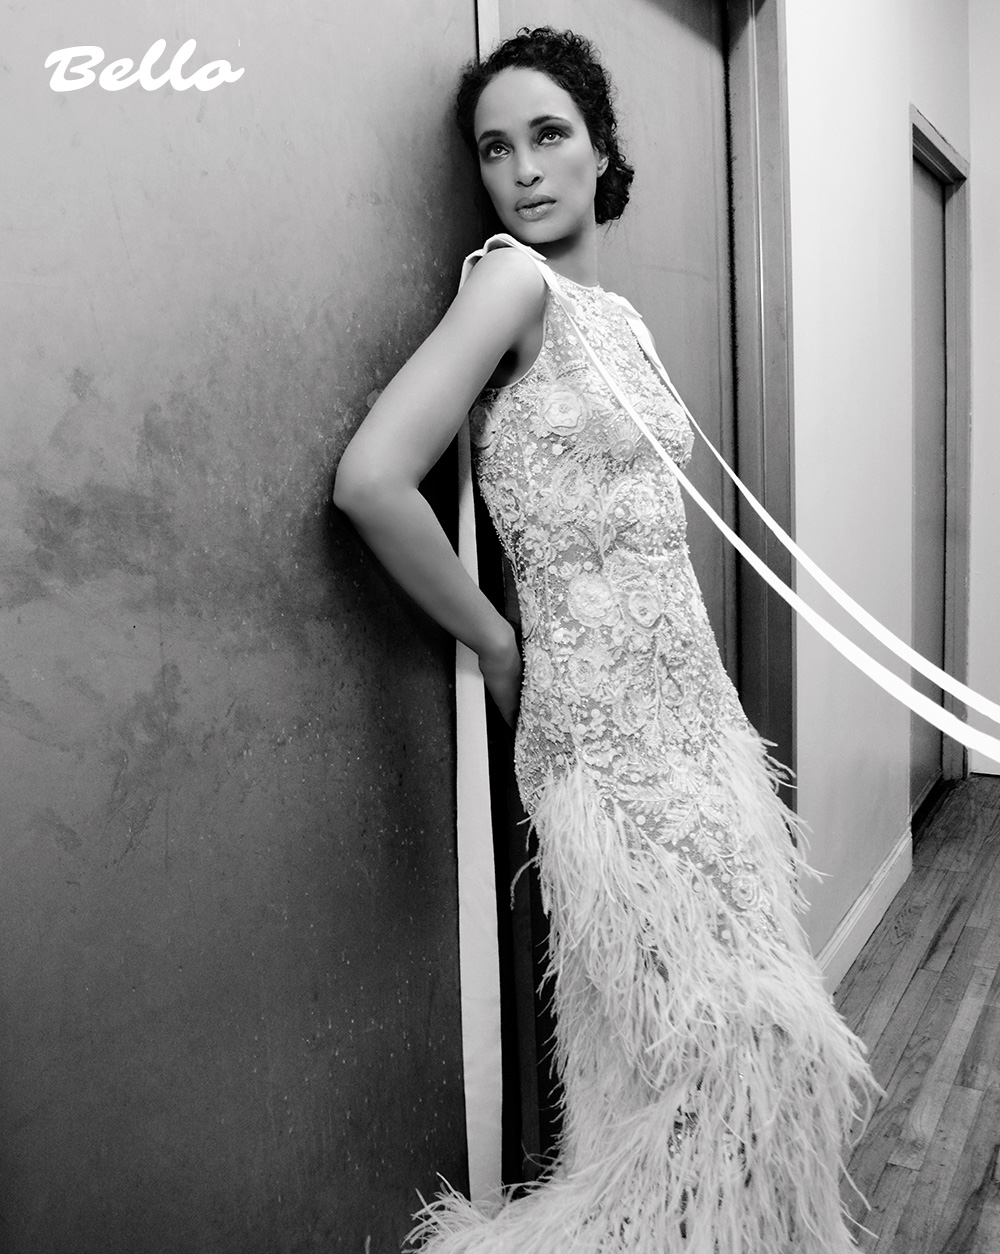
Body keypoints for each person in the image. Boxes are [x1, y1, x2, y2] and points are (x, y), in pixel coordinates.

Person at [334, 25, 878, 1253]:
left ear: (599, 148)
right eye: (494, 149)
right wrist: (496, 644)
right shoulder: (509, 284)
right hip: (600, 742)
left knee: (702, 1058)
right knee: (732, 1046)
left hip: (697, 723)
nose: (522, 169)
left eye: (548, 135)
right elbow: (370, 480)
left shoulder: (613, 315)